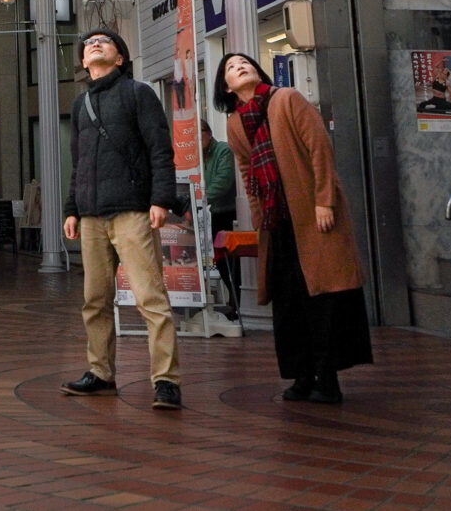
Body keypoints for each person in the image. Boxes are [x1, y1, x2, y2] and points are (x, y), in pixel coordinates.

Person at [217, 52, 372, 403]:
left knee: (322, 298)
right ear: (225, 87)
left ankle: (328, 382)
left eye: (245, 63)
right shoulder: (236, 123)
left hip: (312, 214)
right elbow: (248, 174)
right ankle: (302, 376)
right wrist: (259, 219)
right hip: (277, 223)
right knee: (289, 303)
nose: (239, 66)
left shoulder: (286, 99)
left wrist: (325, 200)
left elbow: (319, 148)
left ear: (258, 71)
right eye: (230, 67)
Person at [60, 27, 183, 411]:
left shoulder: (138, 93)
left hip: (132, 210)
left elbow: (160, 149)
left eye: (105, 41)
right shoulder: (80, 105)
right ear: (83, 62)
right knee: (94, 300)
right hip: (92, 216)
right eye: (89, 44)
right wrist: (71, 208)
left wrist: (160, 198)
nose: (95, 44)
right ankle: (100, 373)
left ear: (120, 58)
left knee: (150, 298)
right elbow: (78, 163)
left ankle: (166, 380)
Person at [202, 122, 240, 319]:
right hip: (214, 212)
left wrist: (202, 198)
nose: (196, 142)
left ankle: (237, 303)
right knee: (221, 260)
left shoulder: (223, 151)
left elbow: (223, 181)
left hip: (228, 212)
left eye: (199, 137)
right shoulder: (202, 156)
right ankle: (234, 302)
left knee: (230, 260)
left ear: (208, 134)